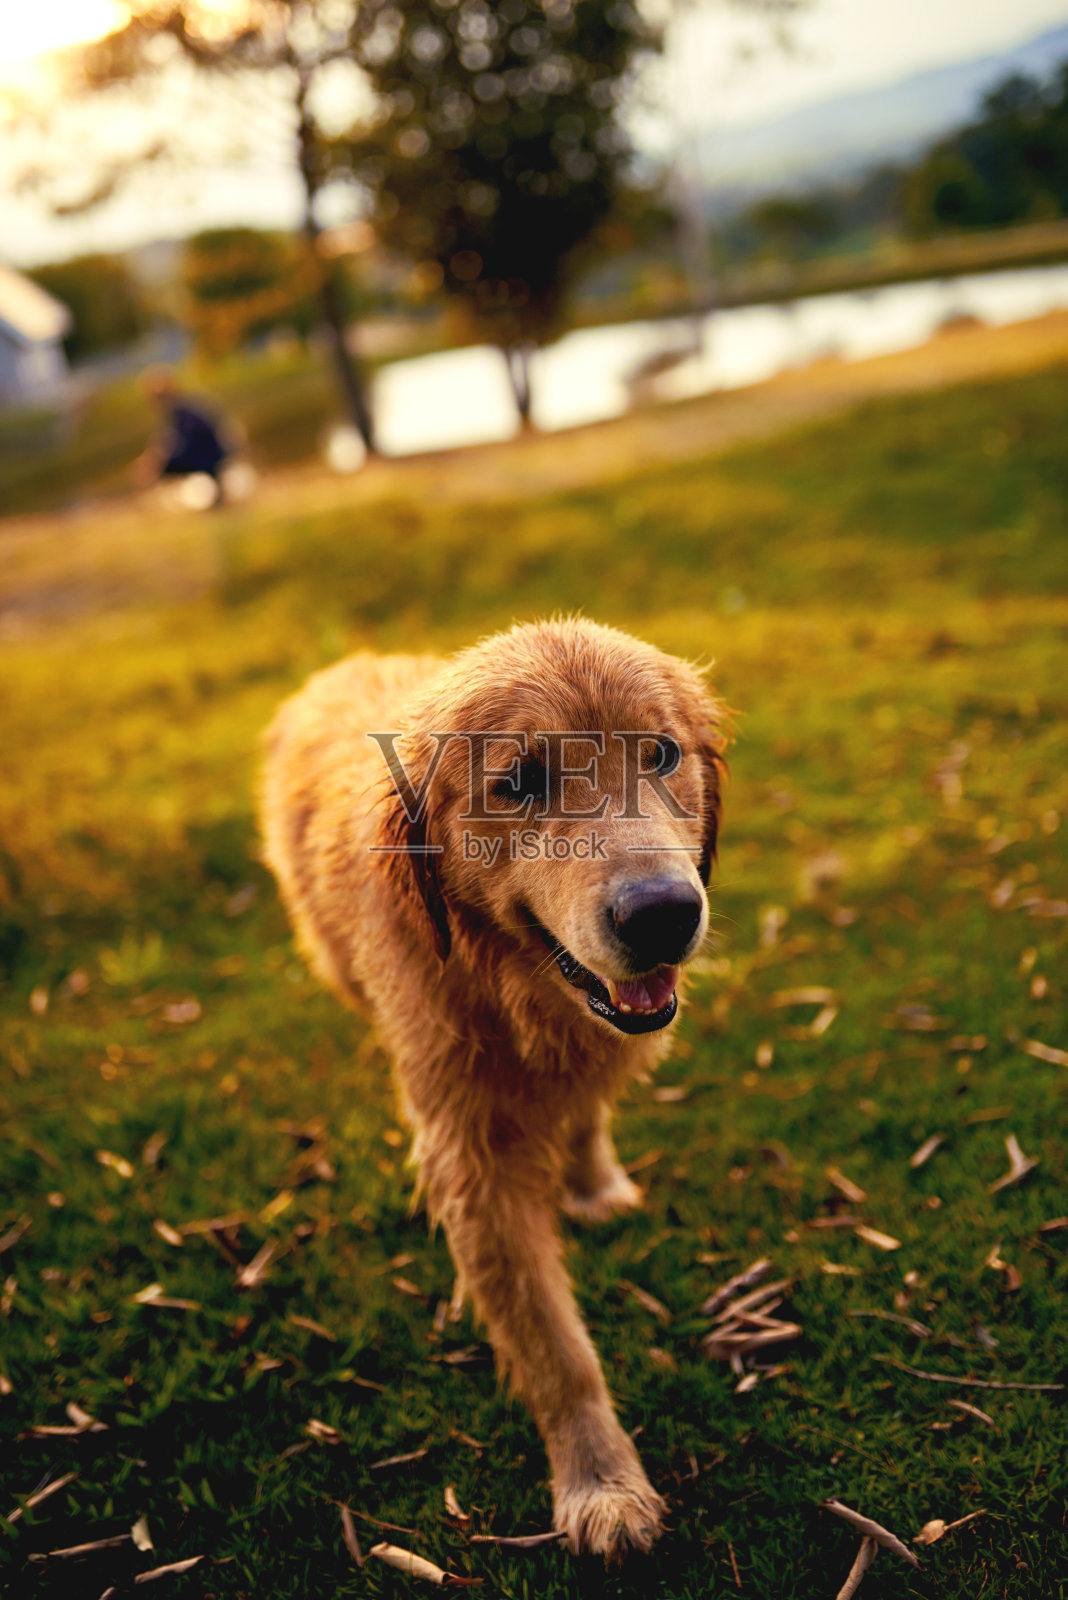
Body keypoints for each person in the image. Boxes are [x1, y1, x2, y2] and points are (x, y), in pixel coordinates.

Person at [133, 367, 233, 504]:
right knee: (158, 463)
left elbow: (185, 443)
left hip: (210, 455)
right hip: (206, 453)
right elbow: (169, 440)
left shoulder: (185, 411)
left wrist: (158, 462)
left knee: (161, 466)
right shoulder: (178, 411)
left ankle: (169, 498)